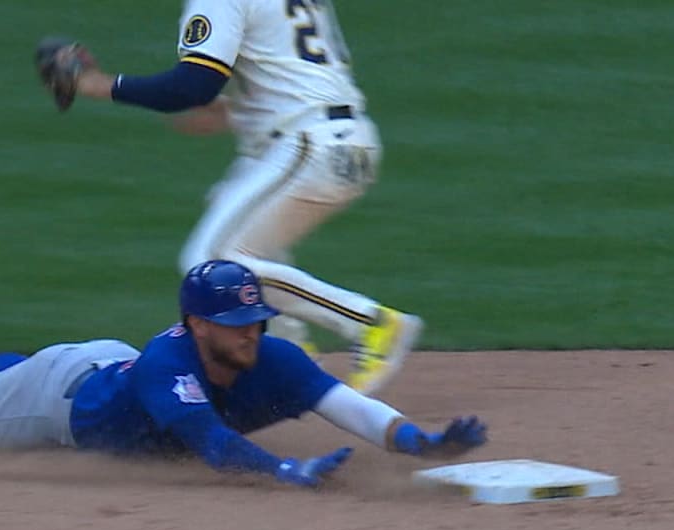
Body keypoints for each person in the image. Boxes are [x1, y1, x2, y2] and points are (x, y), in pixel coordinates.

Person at [0, 260, 486, 488]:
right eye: (233, 325)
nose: (249, 335)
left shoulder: (275, 358)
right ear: (197, 324)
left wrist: (419, 441)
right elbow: (215, 447)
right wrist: (287, 468)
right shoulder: (173, 366)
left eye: (255, 320)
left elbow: (351, 408)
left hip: (95, 366)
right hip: (54, 401)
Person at [53, 0, 421, 396]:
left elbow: (190, 87)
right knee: (235, 221)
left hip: (310, 146)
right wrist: (234, 112)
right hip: (338, 139)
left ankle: (370, 324)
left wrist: (95, 84)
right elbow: (298, 71)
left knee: (213, 262)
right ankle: (290, 349)